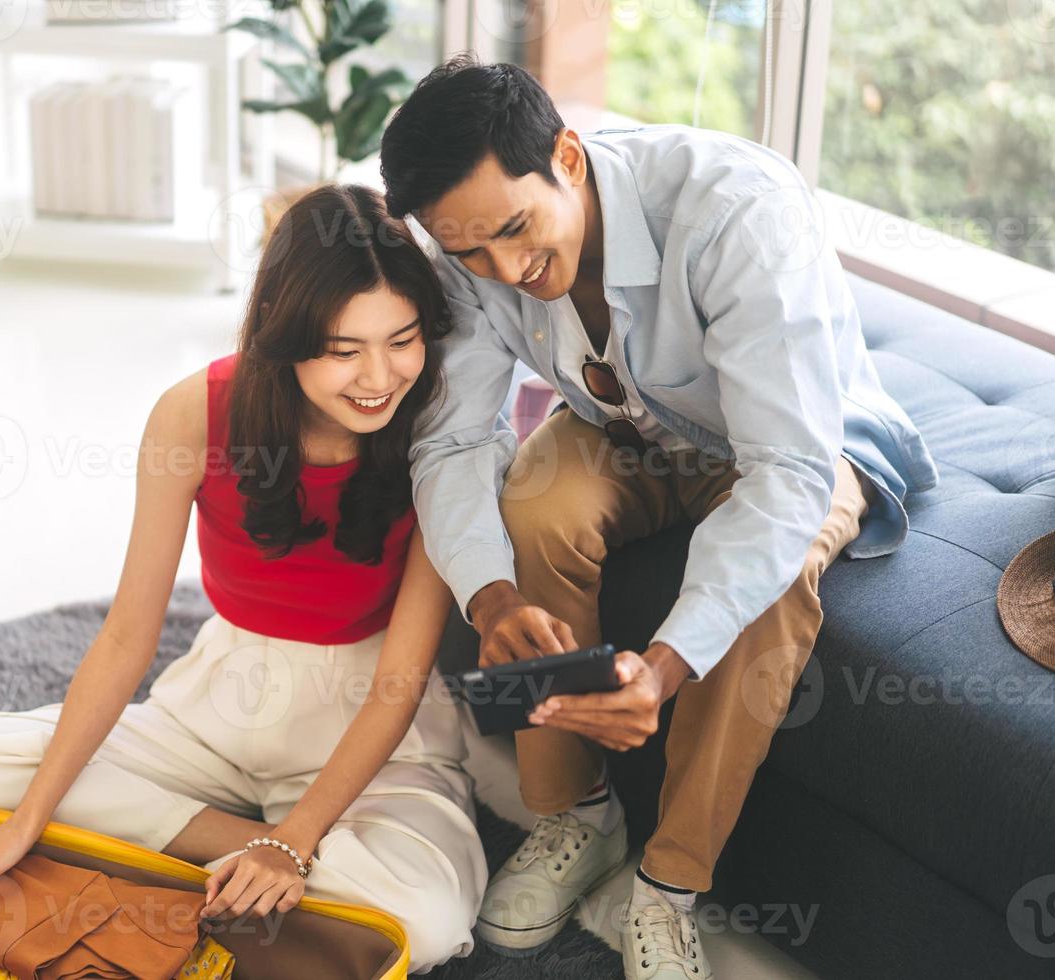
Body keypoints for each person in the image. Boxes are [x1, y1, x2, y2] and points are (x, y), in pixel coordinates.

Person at [378, 55, 937, 980]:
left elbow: (787, 469)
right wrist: (491, 602)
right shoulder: (469, 246)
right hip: (625, 426)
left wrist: (668, 665)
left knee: (773, 582)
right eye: (470, 251)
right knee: (532, 507)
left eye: (517, 232)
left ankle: (670, 885)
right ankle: (575, 817)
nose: (506, 271)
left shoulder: (736, 211)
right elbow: (450, 442)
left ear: (565, 155)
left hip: (799, 445)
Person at [0, 184, 488, 974]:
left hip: (371, 724)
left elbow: (402, 675)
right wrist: (24, 825)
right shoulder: (194, 413)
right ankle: (246, 853)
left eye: (403, 340)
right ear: (286, 337)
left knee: (423, 921)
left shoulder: (437, 426)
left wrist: (296, 838)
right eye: (342, 349)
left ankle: (254, 849)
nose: (378, 377)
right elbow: (126, 636)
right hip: (216, 706)